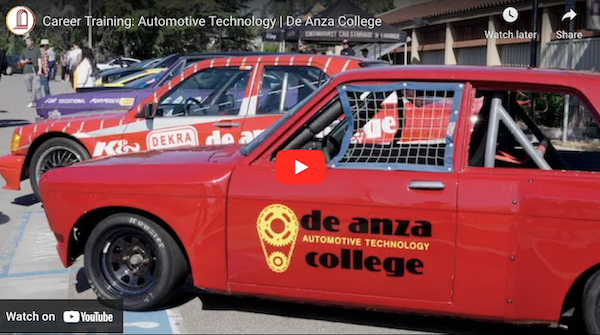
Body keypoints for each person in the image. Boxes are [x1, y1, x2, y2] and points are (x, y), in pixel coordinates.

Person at [20, 36, 42, 108]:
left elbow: (39, 60)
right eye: (26, 42)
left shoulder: (37, 50)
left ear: (32, 42)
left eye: (29, 41)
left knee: (37, 87)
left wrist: (40, 69)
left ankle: (40, 101)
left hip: (35, 70)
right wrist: (25, 61)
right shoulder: (24, 51)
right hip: (26, 71)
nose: (27, 43)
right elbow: (21, 61)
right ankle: (30, 101)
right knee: (29, 88)